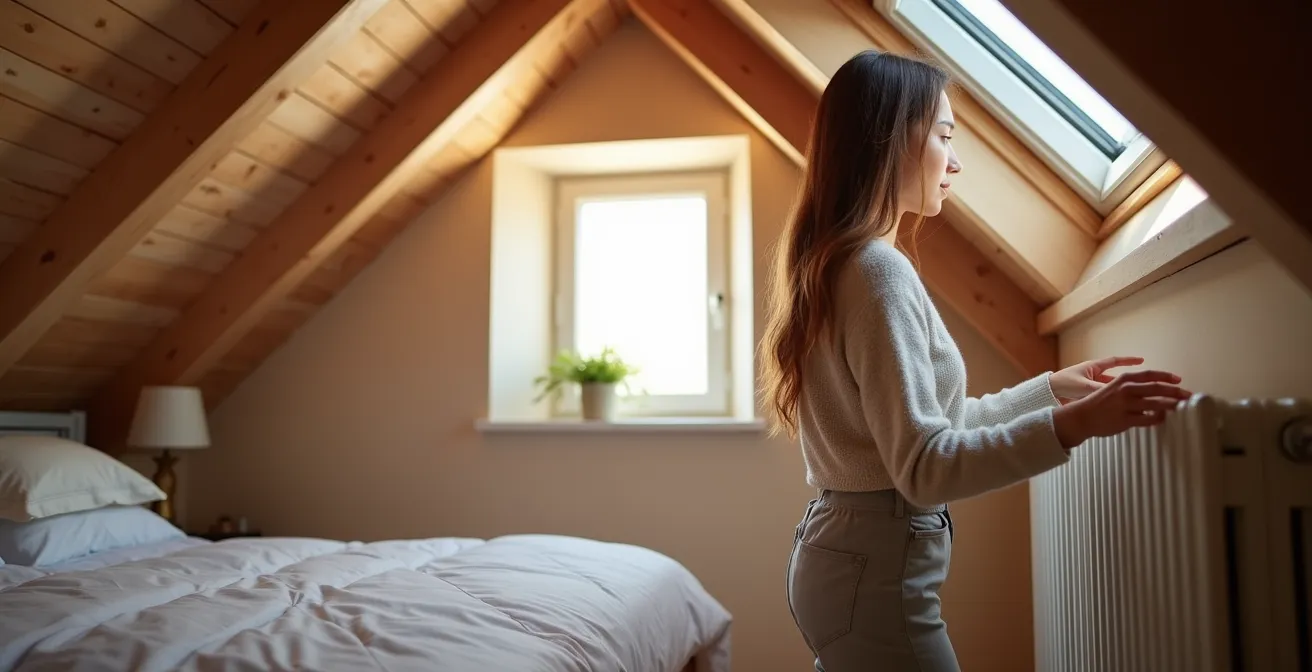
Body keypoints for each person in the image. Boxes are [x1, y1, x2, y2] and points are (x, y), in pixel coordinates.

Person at [758, 50, 1192, 671]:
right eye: (944, 135)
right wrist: (1077, 424)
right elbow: (925, 468)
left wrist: (1049, 390)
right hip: (870, 579)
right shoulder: (877, 273)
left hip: (843, 558)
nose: (955, 160)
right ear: (889, 139)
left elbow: (934, 424)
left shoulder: (842, 262)